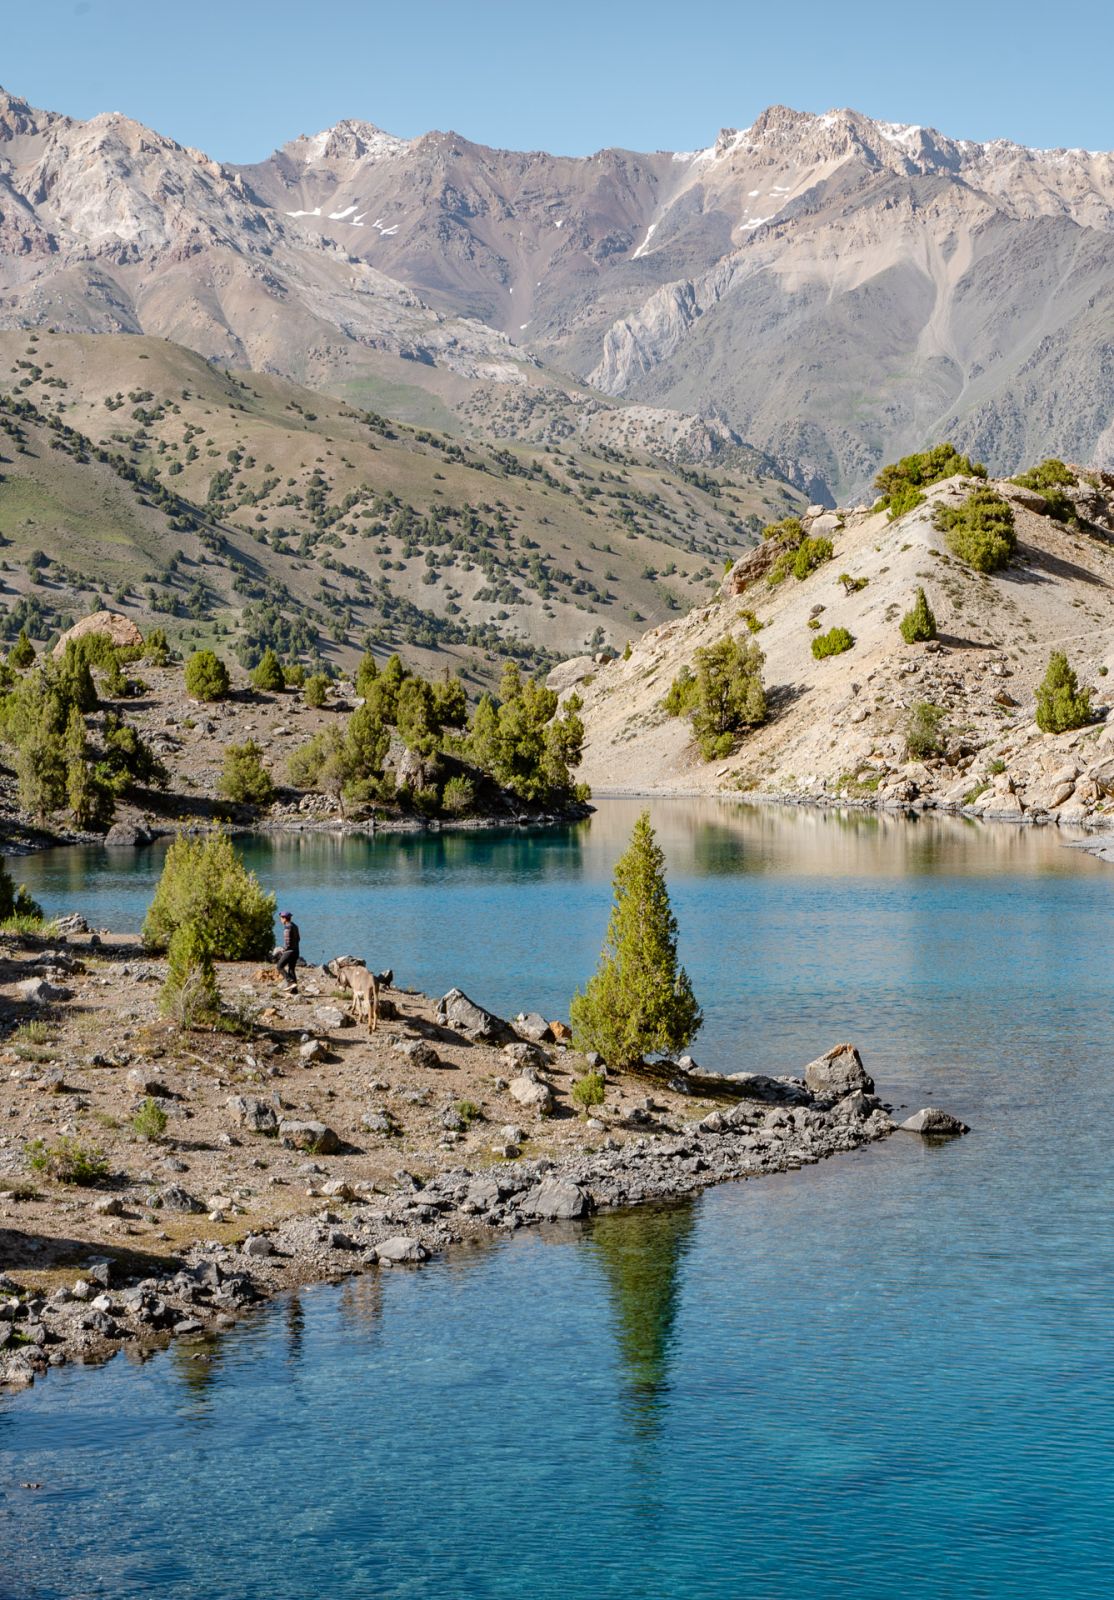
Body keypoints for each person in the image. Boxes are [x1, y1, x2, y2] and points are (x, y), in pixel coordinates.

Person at [275, 910, 300, 993]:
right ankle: (294, 991)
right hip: (296, 951)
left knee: (279, 966)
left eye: (281, 918)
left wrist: (282, 950)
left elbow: (287, 943)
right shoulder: (295, 926)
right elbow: (298, 939)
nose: (280, 920)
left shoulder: (287, 927)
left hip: (289, 952)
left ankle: (290, 982)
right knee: (291, 969)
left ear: (284, 918)